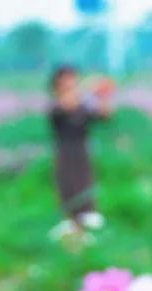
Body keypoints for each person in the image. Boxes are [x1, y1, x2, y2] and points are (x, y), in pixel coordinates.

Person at [48, 64, 114, 233]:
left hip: (82, 150)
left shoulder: (83, 104)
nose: (70, 83)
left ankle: (87, 221)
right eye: (66, 79)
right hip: (64, 151)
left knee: (84, 183)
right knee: (67, 184)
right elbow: (67, 104)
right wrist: (85, 88)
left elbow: (105, 116)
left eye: (73, 79)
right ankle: (70, 222)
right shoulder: (56, 105)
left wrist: (103, 94)